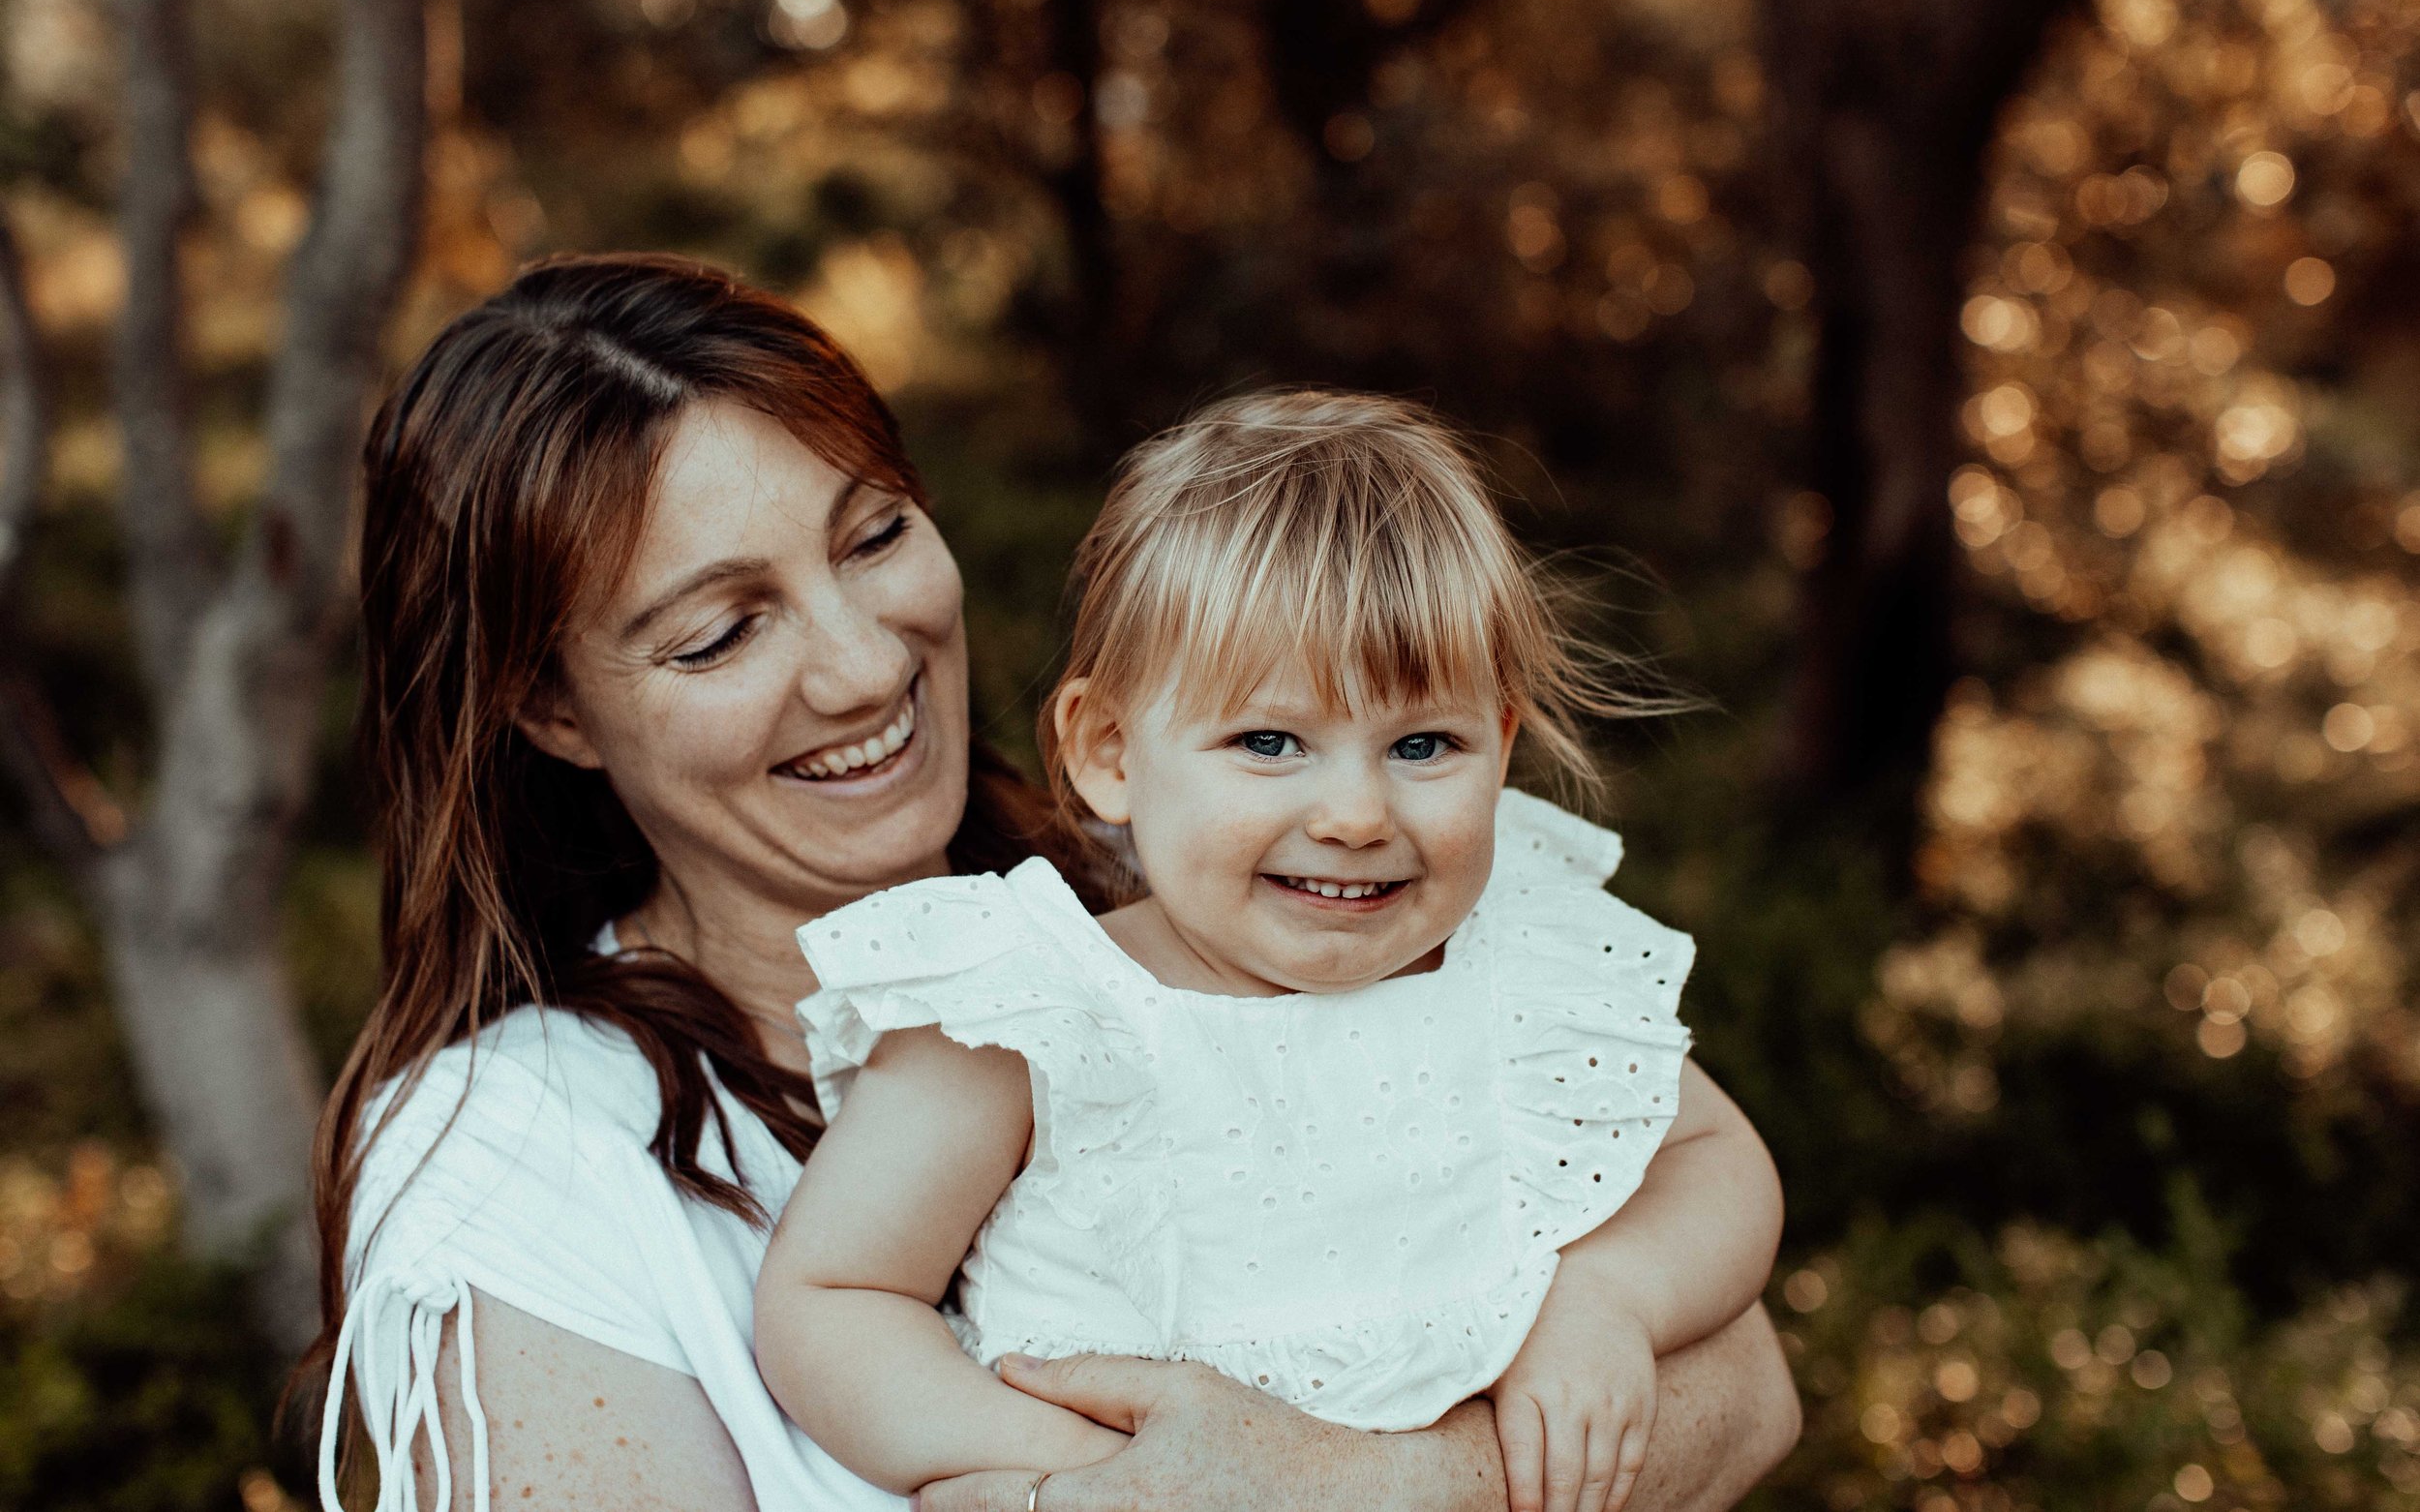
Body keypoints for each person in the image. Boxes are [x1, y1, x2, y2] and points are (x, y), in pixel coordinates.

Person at [304, 254, 1802, 1512]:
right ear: (552, 707)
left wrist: (1355, 1483)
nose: (866, 659)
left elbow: (1743, 1387)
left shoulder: (1223, 892)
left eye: (875, 533)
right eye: (718, 633)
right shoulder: (518, 1149)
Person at [756, 394, 1783, 1512]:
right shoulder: (1040, 1011)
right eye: (1269, 740)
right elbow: (834, 1295)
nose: (1354, 810)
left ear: (1501, 742)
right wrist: (1076, 1475)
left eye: (1423, 743)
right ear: (1109, 751)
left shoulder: (1523, 963)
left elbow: (1715, 1157)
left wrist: (1611, 1297)